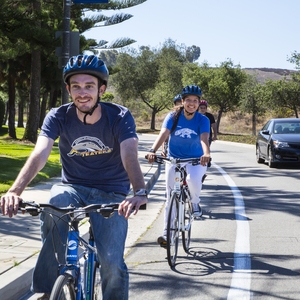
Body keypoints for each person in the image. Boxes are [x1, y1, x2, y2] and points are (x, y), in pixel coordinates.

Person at [0, 54, 147, 300]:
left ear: (101, 89)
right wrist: (15, 191)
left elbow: (129, 154)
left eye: (89, 86)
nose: (83, 93)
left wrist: (139, 192)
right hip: (73, 188)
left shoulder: (120, 117)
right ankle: (49, 291)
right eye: (76, 87)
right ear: (68, 90)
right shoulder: (58, 116)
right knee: (54, 204)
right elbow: (40, 153)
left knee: (111, 263)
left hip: (111, 194)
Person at [146, 85, 210, 247]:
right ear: (182, 101)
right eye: (188, 100)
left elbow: (204, 137)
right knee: (170, 198)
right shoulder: (173, 116)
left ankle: (195, 202)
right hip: (174, 159)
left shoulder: (203, 119)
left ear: (198, 103)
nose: (192, 103)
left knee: (193, 179)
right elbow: (164, 134)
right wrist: (152, 150)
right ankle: (166, 234)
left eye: (195, 101)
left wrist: (206, 153)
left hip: (196, 159)